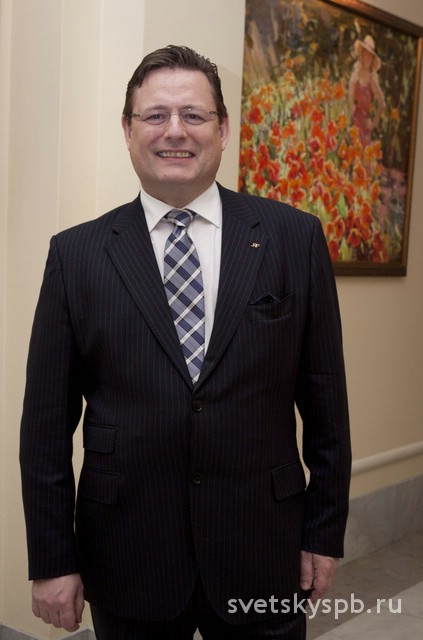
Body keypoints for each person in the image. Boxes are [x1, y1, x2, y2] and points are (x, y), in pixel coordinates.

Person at [20, 45, 351, 640]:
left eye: (194, 115)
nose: (175, 131)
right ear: (128, 130)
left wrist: (323, 534)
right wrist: (52, 560)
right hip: (128, 553)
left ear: (223, 129)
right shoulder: (76, 255)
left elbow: (327, 406)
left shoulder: (294, 238)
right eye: (156, 115)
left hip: (263, 547)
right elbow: (45, 426)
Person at [348, 34, 385, 148]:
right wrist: (353, 110)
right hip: (355, 123)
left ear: (373, 59)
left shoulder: (372, 79)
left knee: (364, 154)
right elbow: (350, 95)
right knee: (353, 153)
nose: (368, 57)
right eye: (366, 54)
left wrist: (373, 124)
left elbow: (382, 104)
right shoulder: (356, 74)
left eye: (370, 55)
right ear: (362, 55)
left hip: (365, 125)